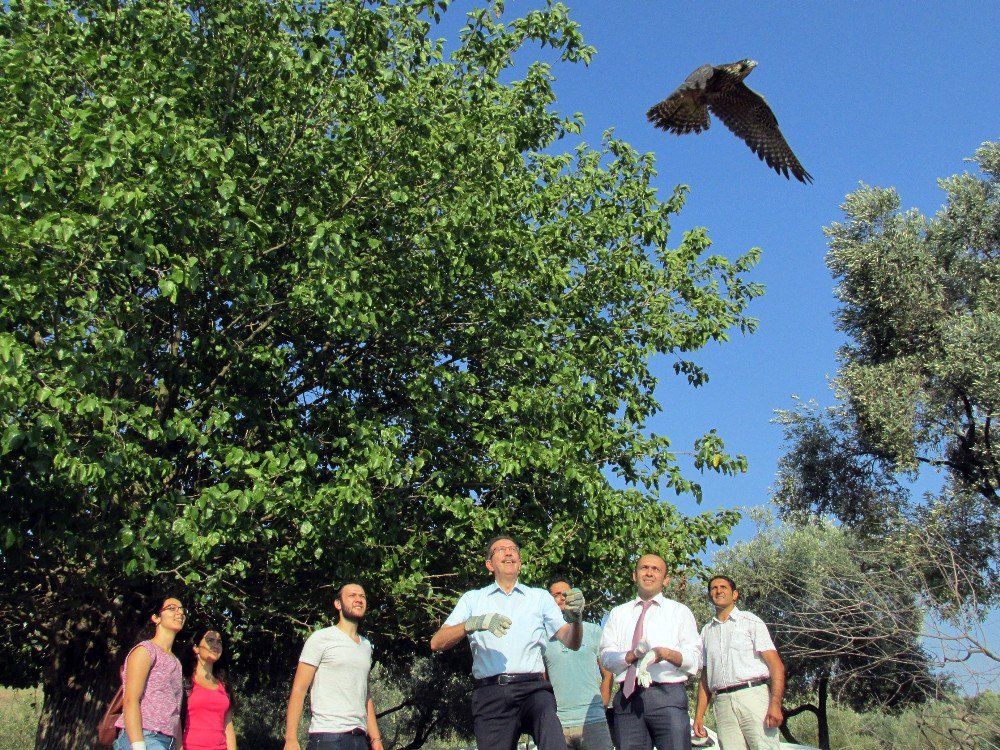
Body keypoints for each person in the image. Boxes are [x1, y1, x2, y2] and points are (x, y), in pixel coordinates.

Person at [430, 535, 586, 750]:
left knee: (547, 717)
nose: (509, 552)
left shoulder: (539, 597)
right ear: (489, 565)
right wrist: (473, 623)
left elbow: (572, 641)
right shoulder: (473, 599)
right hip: (491, 693)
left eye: (513, 549)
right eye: (500, 550)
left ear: (520, 563)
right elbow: (437, 642)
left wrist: (576, 619)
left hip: (533, 689)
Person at [599, 554, 701, 750]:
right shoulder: (618, 613)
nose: (649, 573)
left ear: (666, 579)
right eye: (644, 568)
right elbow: (606, 657)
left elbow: (695, 659)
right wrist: (630, 656)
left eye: (656, 569)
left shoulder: (679, 612)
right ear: (634, 575)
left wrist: (666, 654)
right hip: (628, 699)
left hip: (667, 694)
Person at [283, 583, 382, 750]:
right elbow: (299, 689)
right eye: (352, 595)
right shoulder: (321, 638)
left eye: (362, 596)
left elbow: (365, 695)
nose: (358, 599)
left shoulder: (366, 646)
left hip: (359, 739)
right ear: (338, 604)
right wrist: (291, 739)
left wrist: (376, 739)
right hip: (327, 737)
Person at [693, 576, 785, 750]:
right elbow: (706, 676)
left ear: (735, 594)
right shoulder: (706, 631)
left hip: (753, 696)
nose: (718, 591)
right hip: (722, 703)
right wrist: (699, 715)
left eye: (723, 587)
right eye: (713, 588)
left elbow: (776, 665)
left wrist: (775, 704)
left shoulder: (750, 621)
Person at [542, 576, 614, 750]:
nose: (561, 598)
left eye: (565, 594)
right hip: (558, 724)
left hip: (593, 721)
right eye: (556, 595)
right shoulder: (541, 637)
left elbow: (608, 674)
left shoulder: (593, 631)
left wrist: (602, 705)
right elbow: (543, 680)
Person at [115, 595, 186, 750]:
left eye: (181, 609)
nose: (179, 613)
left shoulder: (176, 662)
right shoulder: (146, 650)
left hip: (168, 741)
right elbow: (130, 700)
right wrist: (138, 745)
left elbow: (175, 711)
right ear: (155, 617)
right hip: (145, 736)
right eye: (172, 609)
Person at [181, 627, 237, 750]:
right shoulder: (184, 681)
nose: (215, 645)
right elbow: (175, 722)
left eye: (219, 642)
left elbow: (227, 726)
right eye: (210, 640)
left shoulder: (224, 685)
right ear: (195, 648)